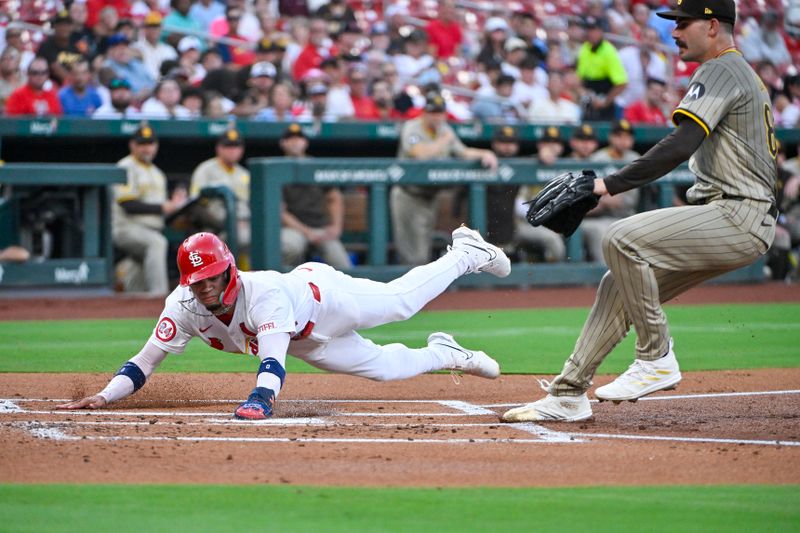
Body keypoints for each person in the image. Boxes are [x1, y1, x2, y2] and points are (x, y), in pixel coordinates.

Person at [503, 0, 777, 422]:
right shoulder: (741, 73)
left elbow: (682, 143)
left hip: (738, 214)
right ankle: (568, 393)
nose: (674, 31)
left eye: (683, 23)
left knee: (621, 237)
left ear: (712, 25)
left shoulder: (722, 67)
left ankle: (656, 357)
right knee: (617, 288)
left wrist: (605, 184)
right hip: (737, 216)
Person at [57, 228, 509, 419]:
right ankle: (447, 353)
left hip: (324, 301)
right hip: (307, 342)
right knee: (386, 369)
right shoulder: (183, 305)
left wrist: (259, 402)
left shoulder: (264, 295)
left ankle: (465, 252)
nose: (206, 287)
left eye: (212, 277)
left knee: (400, 304)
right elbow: (144, 362)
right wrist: (103, 396)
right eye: (197, 280)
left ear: (228, 269)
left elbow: (272, 362)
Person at [391, 91, 498, 265]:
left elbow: (462, 152)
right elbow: (420, 155)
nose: (437, 117)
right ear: (424, 112)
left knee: (422, 255)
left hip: (430, 197)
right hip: (408, 196)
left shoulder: (444, 130)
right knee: (412, 256)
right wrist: (443, 140)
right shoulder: (412, 127)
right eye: (433, 112)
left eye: (440, 113)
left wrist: (485, 153)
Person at [113, 125, 187, 296]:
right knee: (157, 243)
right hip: (127, 228)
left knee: (136, 285)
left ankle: (137, 306)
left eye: (150, 143)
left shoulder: (157, 173)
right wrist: (163, 207)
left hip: (152, 229)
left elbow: (161, 209)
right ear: (132, 145)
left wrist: (175, 206)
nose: (147, 148)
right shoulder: (125, 166)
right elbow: (128, 204)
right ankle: (159, 295)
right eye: (142, 144)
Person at [279, 123, 352, 270]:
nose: (295, 142)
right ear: (283, 143)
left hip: (320, 228)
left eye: (298, 138)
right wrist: (306, 232)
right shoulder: (278, 168)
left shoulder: (316, 166)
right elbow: (281, 211)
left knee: (343, 265)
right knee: (291, 247)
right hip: (293, 229)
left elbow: (335, 197)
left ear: (305, 142)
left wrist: (336, 227)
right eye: (290, 138)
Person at [583, 119, 641, 264]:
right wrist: (605, 201)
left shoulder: (635, 159)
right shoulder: (597, 159)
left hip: (627, 216)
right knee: (601, 232)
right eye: (619, 136)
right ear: (611, 137)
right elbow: (590, 198)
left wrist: (607, 199)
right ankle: (606, 275)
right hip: (600, 217)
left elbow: (628, 201)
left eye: (628, 137)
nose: (623, 140)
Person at [189, 128, 251, 254]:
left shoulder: (245, 174)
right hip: (216, 228)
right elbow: (196, 206)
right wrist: (228, 225)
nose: (232, 150)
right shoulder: (206, 170)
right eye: (228, 146)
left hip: (245, 223)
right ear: (219, 148)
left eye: (236, 146)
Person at [515, 126, 567, 263]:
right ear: (539, 145)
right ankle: (558, 277)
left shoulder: (567, 165)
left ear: (561, 147)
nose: (551, 147)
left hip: (554, 221)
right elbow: (517, 203)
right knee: (552, 238)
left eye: (556, 143)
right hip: (525, 222)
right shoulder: (528, 164)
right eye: (547, 142)